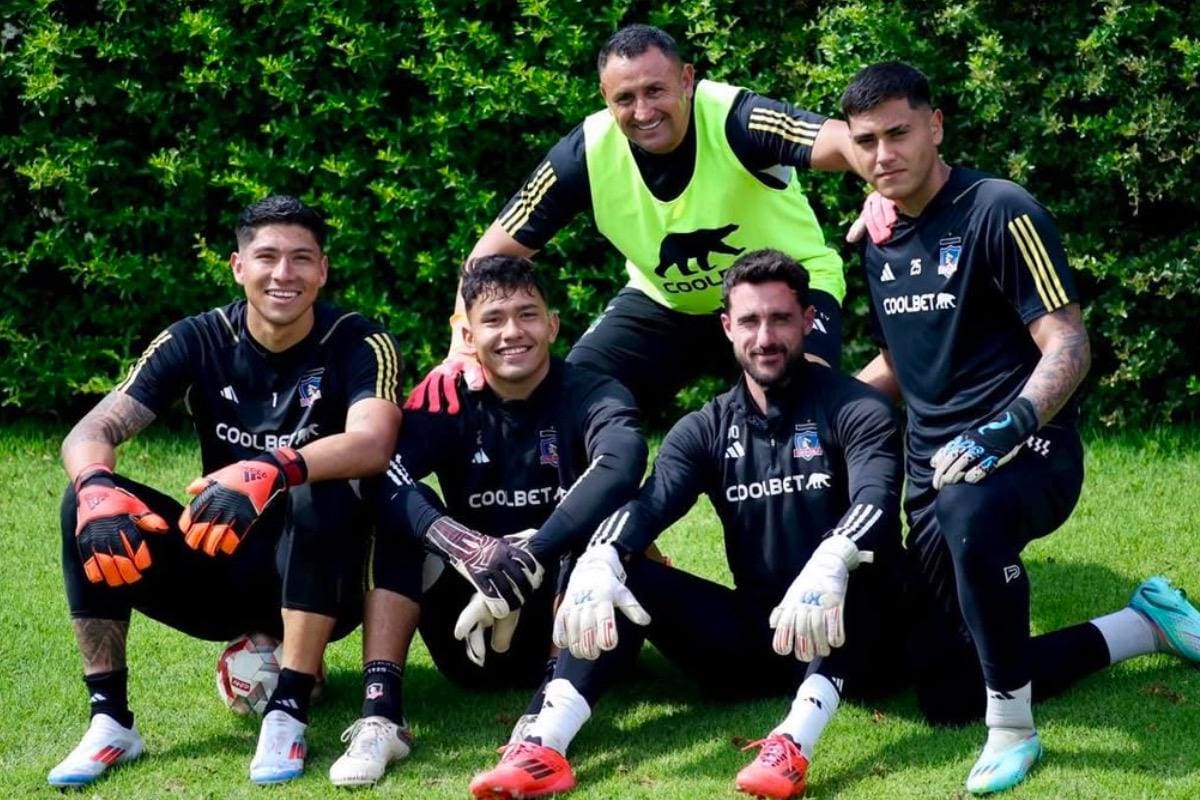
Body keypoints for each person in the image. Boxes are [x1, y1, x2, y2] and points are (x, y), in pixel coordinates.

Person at [843, 62, 1200, 794]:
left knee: (971, 507)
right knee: (943, 694)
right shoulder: (877, 239)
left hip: (1030, 450)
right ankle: (1146, 625)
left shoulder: (999, 209)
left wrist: (1004, 427)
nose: (883, 155)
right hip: (932, 474)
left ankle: (1014, 731)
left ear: (935, 126)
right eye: (867, 141)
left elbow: (1068, 343)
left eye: (898, 133)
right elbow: (898, 361)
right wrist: (821, 409)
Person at [469, 250, 906, 799]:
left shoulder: (857, 408)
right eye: (749, 321)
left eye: (780, 319)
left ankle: (794, 744)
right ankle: (543, 746)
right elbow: (649, 506)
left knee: (852, 568)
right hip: (760, 637)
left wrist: (831, 557)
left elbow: (877, 499)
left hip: (862, 639)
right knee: (616, 569)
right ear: (727, 327)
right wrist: (600, 558)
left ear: (809, 322)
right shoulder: (704, 427)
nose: (764, 337)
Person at [49, 195, 403, 787]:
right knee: (82, 506)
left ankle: (288, 709)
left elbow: (375, 442)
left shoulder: (359, 341)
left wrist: (272, 468)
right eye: (265, 257)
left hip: (322, 577)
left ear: (322, 270)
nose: (282, 274)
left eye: (300, 259)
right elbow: (95, 428)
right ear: (238, 266)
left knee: (323, 490)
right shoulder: (197, 337)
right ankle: (110, 720)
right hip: (218, 559)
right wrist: (93, 483)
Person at [408, 23, 884, 420]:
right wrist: (461, 345)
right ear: (604, 96)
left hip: (784, 291)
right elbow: (487, 258)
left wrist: (882, 189)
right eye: (625, 98)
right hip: (665, 302)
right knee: (568, 407)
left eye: (655, 90)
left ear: (686, 79)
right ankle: (622, 536)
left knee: (799, 407)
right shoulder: (584, 154)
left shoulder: (735, 115)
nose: (643, 111)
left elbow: (842, 139)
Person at [328, 254, 647, 787]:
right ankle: (381, 714)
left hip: (573, 623)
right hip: (471, 627)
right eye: (494, 320)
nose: (512, 332)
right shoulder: (446, 396)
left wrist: (529, 553)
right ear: (469, 336)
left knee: (597, 524)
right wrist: (467, 548)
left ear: (552, 324)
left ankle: (547, 708)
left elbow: (622, 463)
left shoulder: (594, 390)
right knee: (399, 522)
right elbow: (385, 476)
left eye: (527, 315)